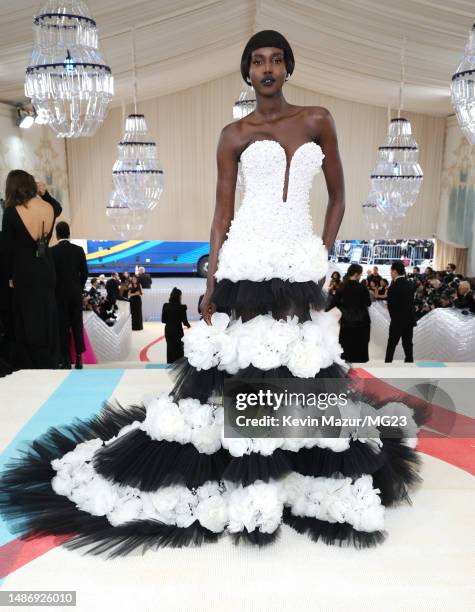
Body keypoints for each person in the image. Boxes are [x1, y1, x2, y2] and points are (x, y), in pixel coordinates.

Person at [0, 31, 426, 555]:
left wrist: (322, 255)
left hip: (298, 257)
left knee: (300, 364)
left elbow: (339, 196)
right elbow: (222, 212)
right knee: (245, 365)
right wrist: (210, 282)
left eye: (275, 60)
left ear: (288, 68)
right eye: (257, 62)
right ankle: (248, 469)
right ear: (247, 72)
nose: (266, 69)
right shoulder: (234, 133)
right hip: (247, 256)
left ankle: (293, 466)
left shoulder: (318, 119)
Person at [1, 170, 62, 369]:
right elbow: (57, 207)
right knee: (47, 313)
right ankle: (51, 359)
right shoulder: (48, 208)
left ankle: (31, 363)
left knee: (26, 316)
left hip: (23, 270)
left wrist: (8, 276)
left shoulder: (11, 212)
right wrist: (44, 193)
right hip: (46, 267)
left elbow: (7, 249)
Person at [50, 222, 88, 369]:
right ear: (69, 233)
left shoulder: (51, 252)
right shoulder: (78, 250)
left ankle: (65, 360)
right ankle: (79, 359)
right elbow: (84, 273)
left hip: (59, 295)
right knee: (77, 324)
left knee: (63, 326)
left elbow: (51, 275)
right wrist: (79, 287)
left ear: (57, 234)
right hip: (75, 294)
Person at [331, 263, 371, 362]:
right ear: (357, 274)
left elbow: (334, 302)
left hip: (347, 320)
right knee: (360, 344)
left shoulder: (342, 287)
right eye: (360, 274)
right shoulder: (362, 287)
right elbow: (368, 303)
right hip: (362, 321)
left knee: (346, 345)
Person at [385, 261, 417, 363]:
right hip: (409, 319)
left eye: (391, 271)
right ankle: (409, 362)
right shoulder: (410, 284)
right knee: (408, 343)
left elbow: (391, 306)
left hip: (397, 320)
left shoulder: (393, 286)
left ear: (394, 271)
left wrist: (394, 318)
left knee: (392, 344)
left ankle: (388, 364)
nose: (390, 273)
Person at [161, 287, 191, 363]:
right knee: (178, 349)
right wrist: (190, 327)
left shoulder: (165, 306)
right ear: (179, 297)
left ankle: (170, 364)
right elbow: (185, 322)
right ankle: (178, 365)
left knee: (170, 348)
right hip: (177, 331)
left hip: (168, 330)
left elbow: (163, 320)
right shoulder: (182, 308)